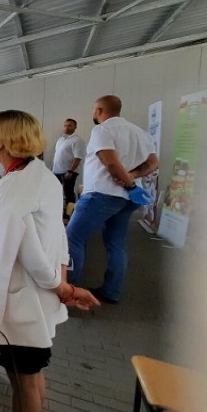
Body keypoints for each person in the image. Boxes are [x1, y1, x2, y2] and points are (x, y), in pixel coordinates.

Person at [0, 110, 99, 412]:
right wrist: (60, 282)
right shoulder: (38, 174)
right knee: (30, 376)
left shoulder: (19, 184)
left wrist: (63, 287)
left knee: (24, 381)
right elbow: (60, 235)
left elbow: (28, 250)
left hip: (23, 300)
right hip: (33, 296)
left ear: (2, 141)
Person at [67, 95, 157, 305]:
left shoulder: (103, 130)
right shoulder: (141, 133)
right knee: (116, 243)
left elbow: (111, 164)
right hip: (126, 200)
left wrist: (129, 183)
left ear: (99, 110)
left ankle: (70, 293)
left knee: (73, 239)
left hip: (102, 194)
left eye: (93, 110)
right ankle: (111, 291)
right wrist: (133, 178)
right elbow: (153, 163)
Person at [51, 118, 86, 213]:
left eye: (70, 125)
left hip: (68, 172)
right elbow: (57, 155)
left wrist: (71, 171)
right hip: (56, 171)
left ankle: (70, 215)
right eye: (65, 125)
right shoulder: (61, 139)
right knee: (55, 193)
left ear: (75, 127)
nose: (67, 127)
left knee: (68, 194)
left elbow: (78, 157)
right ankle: (58, 213)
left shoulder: (77, 140)